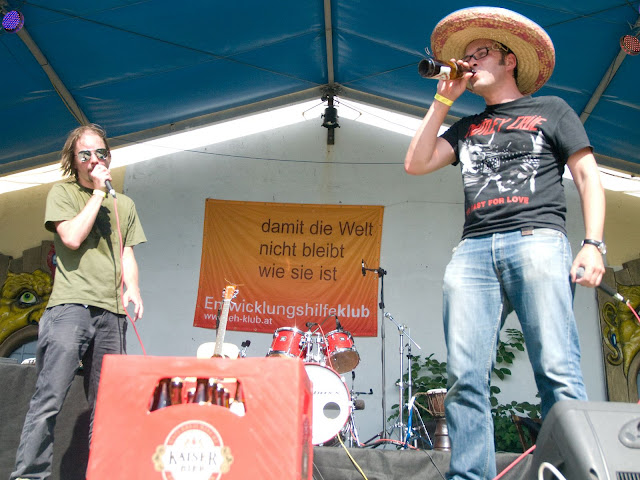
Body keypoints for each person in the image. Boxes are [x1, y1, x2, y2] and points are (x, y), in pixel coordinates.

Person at [404, 7, 605, 480]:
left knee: (556, 369)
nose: (471, 61)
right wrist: (442, 99)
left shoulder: (552, 110)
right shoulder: (467, 126)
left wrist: (593, 243)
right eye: (467, 55)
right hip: (474, 251)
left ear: (509, 60)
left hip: (537, 240)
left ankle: (574, 473)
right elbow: (415, 163)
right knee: (464, 379)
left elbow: (587, 175)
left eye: (482, 53)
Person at [10, 124, 146, 480]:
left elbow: (126, 252)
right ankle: (30, 475)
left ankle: (102, 474)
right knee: (50, 398)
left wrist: (133, 288)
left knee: (108, 405)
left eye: (101, 153)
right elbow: (71, 237)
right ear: (74, 160)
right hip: (71, 308)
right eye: (85, 154)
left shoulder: (124, 205)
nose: (94, 159)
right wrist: (98, 193)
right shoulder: (63, 192)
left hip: (112, 313)